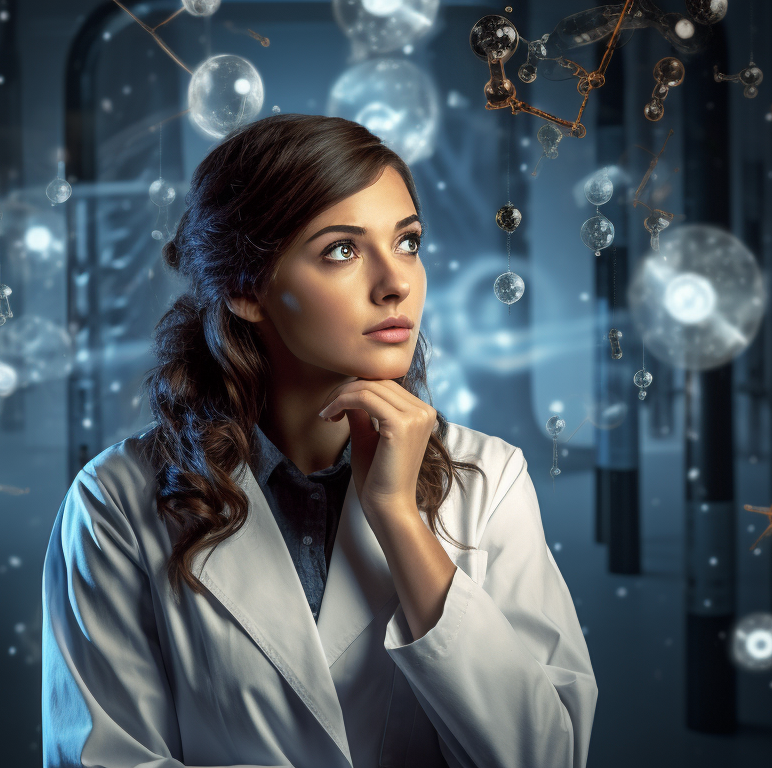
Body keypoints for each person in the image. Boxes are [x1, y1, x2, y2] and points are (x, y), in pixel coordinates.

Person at [43, 114, 595, 768]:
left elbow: (545, 756)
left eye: (409, 243)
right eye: (342, 249)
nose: (395, 283)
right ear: (247, 289)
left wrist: (399, 520)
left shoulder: (490, 477)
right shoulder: (116, 501)